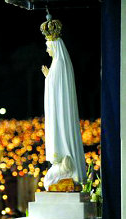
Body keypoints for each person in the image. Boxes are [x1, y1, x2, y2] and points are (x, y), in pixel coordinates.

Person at [40, 16, 86, 189]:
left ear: (54, 46)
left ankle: (65, 165)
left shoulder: (58, 64)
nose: (47, 51)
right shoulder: (59, 64)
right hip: (59, 110)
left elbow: (56, 88)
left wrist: (48, 78)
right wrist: (49, 78)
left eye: (47, 47)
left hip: (60, 114)